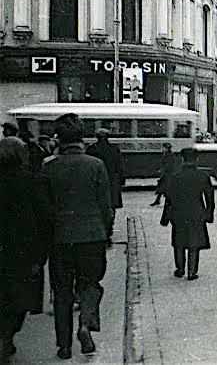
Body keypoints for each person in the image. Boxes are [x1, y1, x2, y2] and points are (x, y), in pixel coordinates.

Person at [40, 113, 112, 360]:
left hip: (61, 239)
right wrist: (107, 233)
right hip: (92, 236)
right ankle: (85, 326)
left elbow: (44, 207)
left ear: (58, 138)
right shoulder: (96, 165)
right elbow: (106, 205)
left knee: (62, 292)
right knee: (90, 284)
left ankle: (64, 346)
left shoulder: (49, 167)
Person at [0, 138, 52, 362]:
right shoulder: (31, 181)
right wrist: (42, 251)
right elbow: (44, 218)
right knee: (19, 298)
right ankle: (7, 335)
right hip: (22, 250)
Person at [161, 148, 214, 281]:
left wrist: (165, 217)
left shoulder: (174, 176)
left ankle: (180, 269)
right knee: (194, 241)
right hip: (196, 212)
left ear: (182, 159)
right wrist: (209, 214)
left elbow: (169, 198)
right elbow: (209, 197)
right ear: (196, 159)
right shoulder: (203, 176)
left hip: (178, 213)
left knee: (179, 241)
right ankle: (192, 271)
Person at [86, 129, 124, 246]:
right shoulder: (114, 150)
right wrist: (121, 181)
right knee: (111, 208)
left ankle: (101, 232)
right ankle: (108, 231)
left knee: (97, 208)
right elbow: (120, 167)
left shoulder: (91, 150)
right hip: (112, 183)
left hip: (95, 182)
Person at [150, 143, 179, 207]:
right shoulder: (168, 154)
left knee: (165, 189)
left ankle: (162, 201)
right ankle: (158, 201)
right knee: (162, 188)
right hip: (166, 174)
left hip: (168, 174)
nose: (162, 149)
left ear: (166, 148)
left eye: (163, 148)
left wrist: (162, 170)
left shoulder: (169, 155)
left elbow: (168, 165)